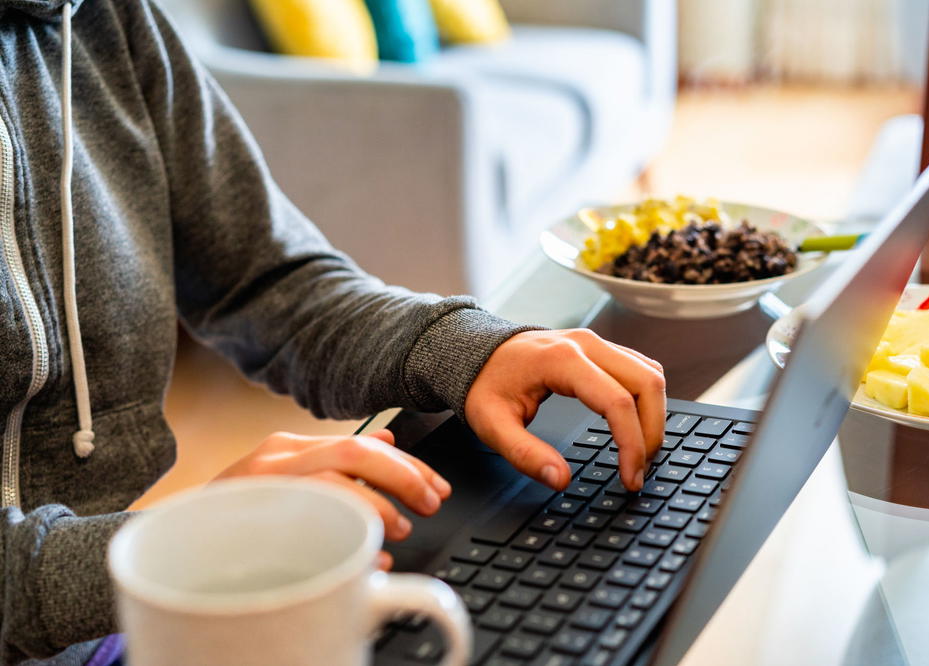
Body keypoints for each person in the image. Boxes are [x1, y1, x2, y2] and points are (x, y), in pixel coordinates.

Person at [0, 0, 666, 663]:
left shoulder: (104, 19)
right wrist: (174, 548)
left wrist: (465, 347)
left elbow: (266, 279)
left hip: (123, 617)